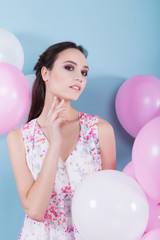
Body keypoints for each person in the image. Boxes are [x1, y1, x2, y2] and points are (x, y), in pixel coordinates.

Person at [7, 41, 116, 240]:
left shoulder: (100, 130)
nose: (79, 77)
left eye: (84, 72)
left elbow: (108, 203)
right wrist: (54, 143)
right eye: (69, 68)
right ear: (45, 73)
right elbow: (35, 211)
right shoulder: (19, 138)